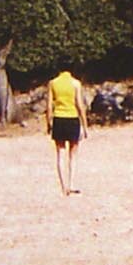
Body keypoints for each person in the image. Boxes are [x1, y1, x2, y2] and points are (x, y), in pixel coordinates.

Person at [45, 67, 88, 196]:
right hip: (72, 118)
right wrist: (85, 125)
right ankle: (72, 183)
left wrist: (49, 122)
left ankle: (63, 186)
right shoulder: (76, 83)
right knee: (73, 153)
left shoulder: (53, 83)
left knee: (60, 153)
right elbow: (80, 105)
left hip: (59, 118)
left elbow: (48, 105)